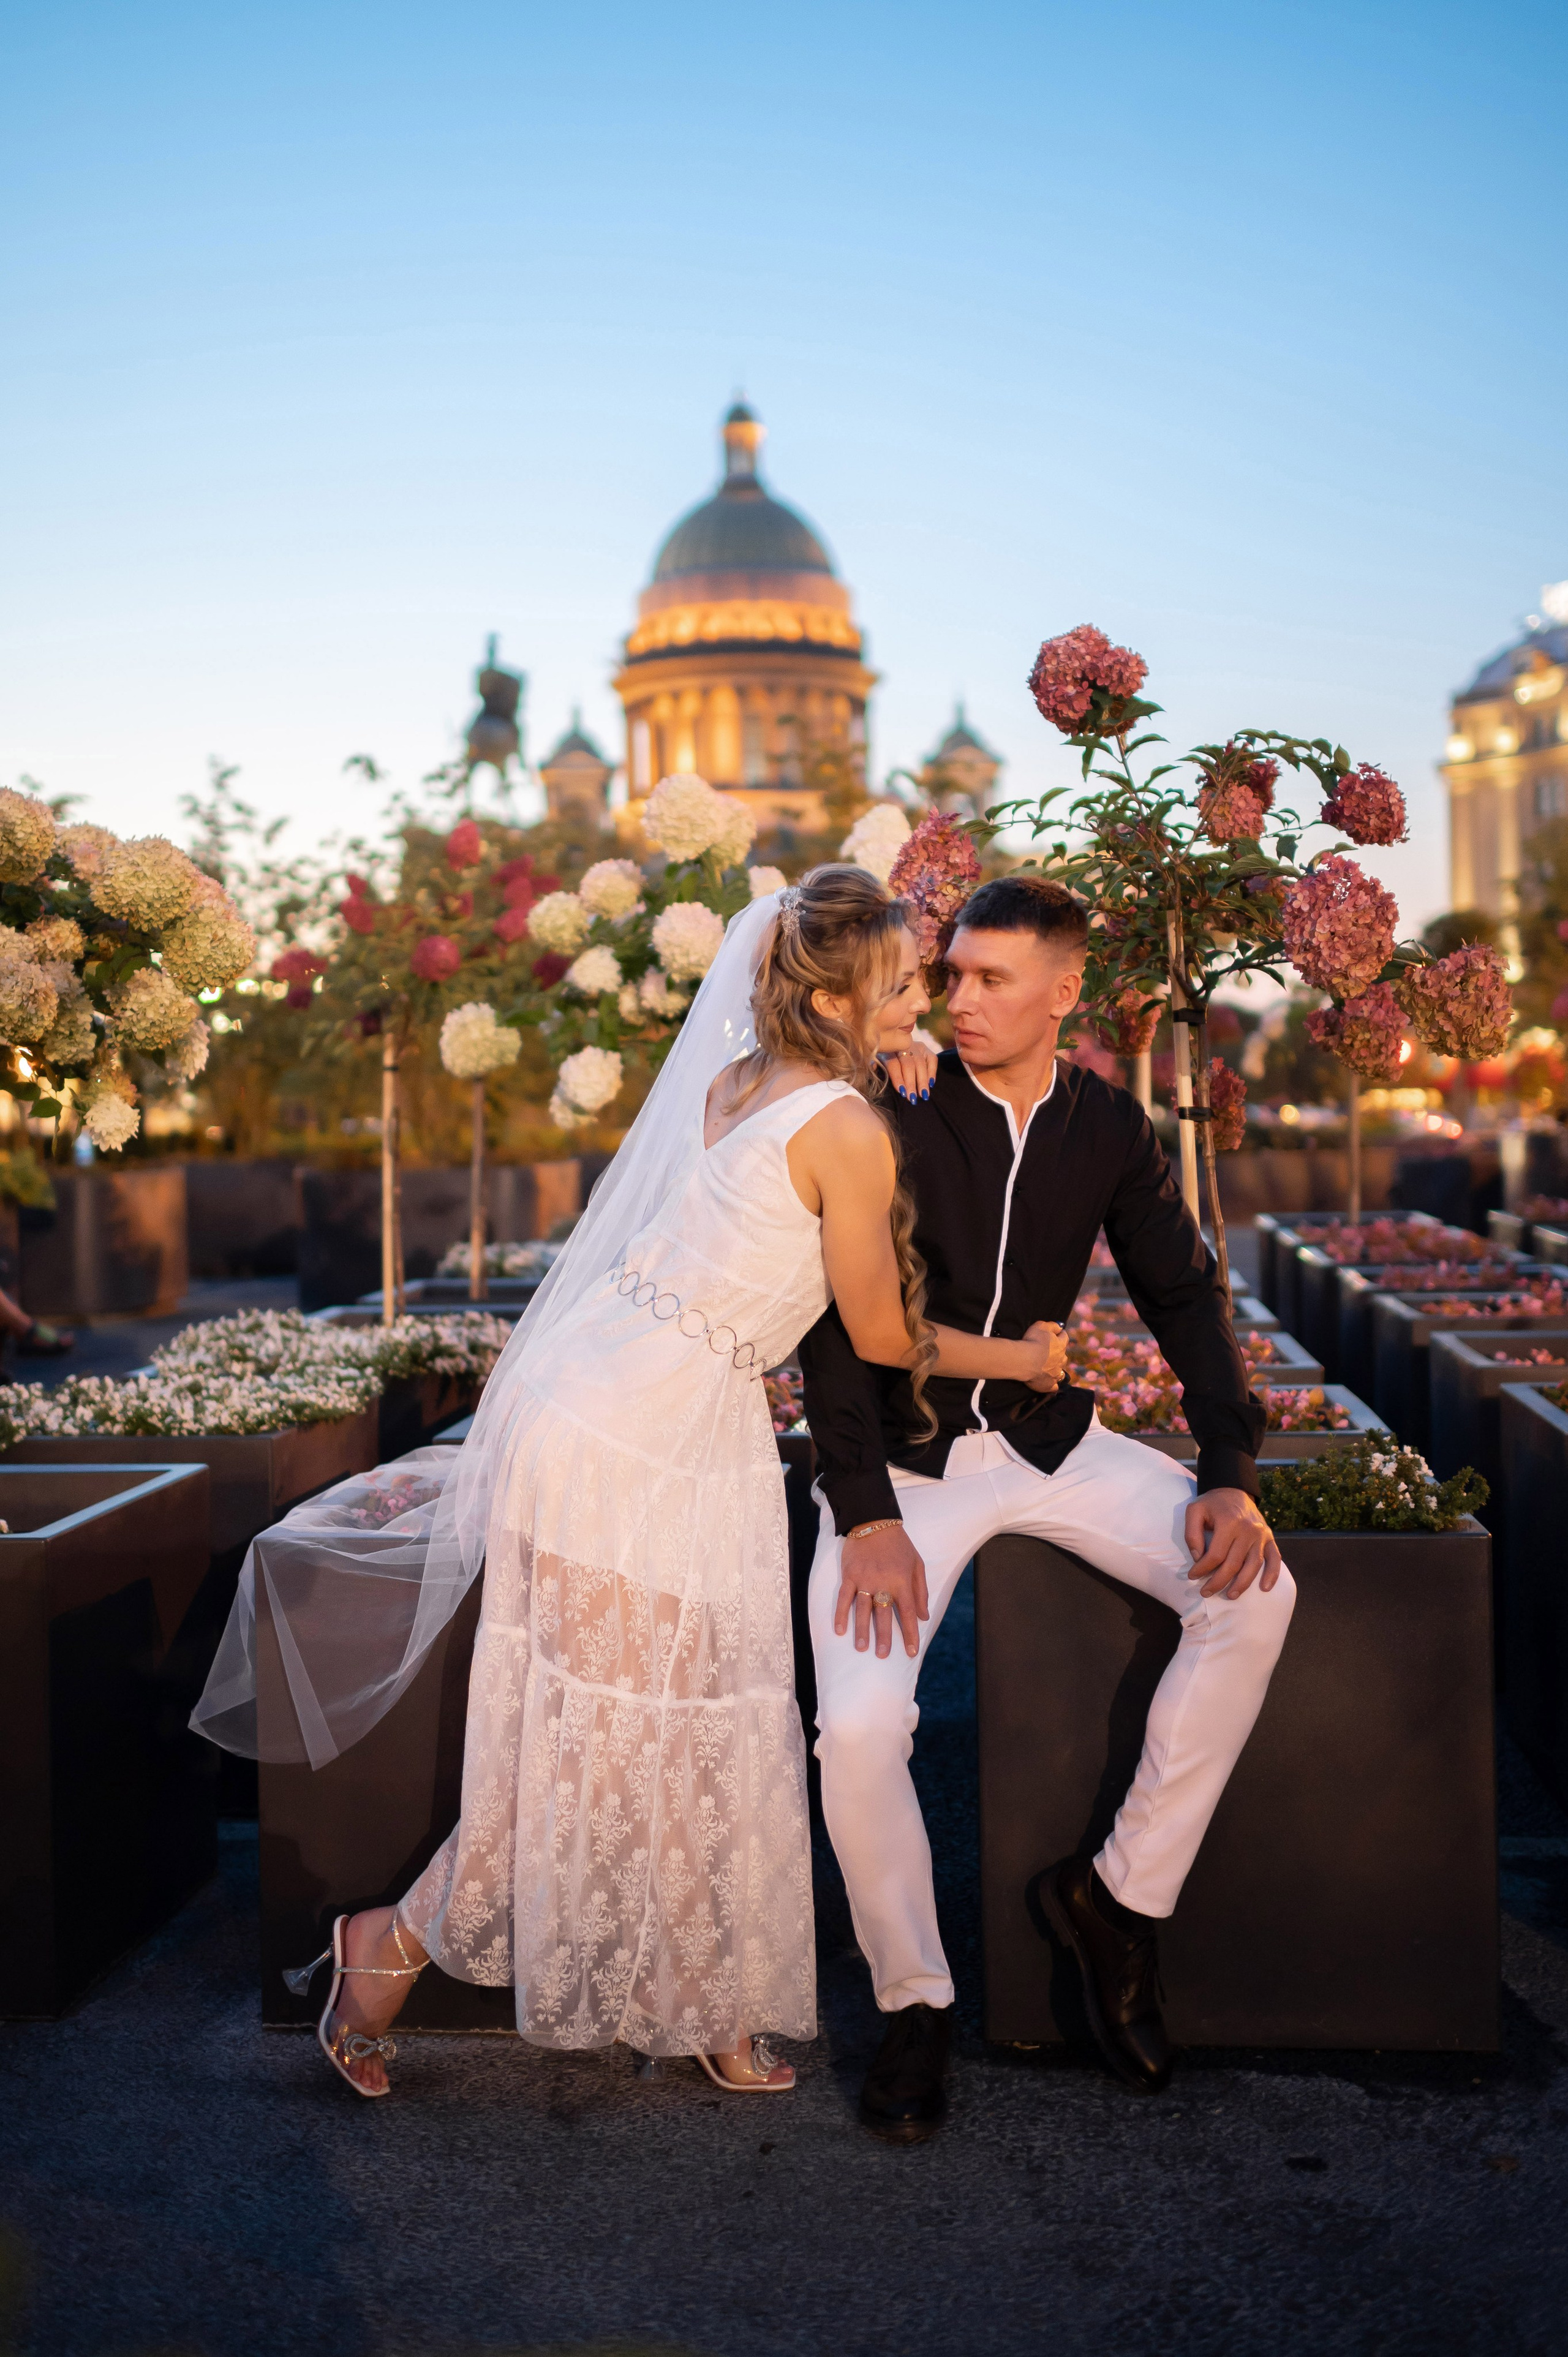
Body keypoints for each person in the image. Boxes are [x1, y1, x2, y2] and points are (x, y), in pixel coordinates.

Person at [289, 868, 1069, 2099]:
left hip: (628, 1395)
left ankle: (703, 1997)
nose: (924, 997)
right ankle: (381, 1947)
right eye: (904, 982)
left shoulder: (741, 1081)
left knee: (683, 1711)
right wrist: (1020, 1355)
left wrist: (887, 1058)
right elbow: (878, 1333)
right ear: (839, 991)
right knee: (619, 1728)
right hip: (639, 1430)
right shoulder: (846, 1130)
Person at [799, 873, 1294, 2141]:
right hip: (899, 1475)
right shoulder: (884, 1114)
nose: (957, 998)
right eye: (950, 974)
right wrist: (860, 1510)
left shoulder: (1108, 1128)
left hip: (1040, 1444)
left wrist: (1229, 1467)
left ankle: (1119, 1905)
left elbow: (1183, 1293)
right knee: (857, 1734)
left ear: (1062, 995)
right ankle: (914, 2007)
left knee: (1253, 1591)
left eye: (989, 979)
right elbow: (834, 1337)